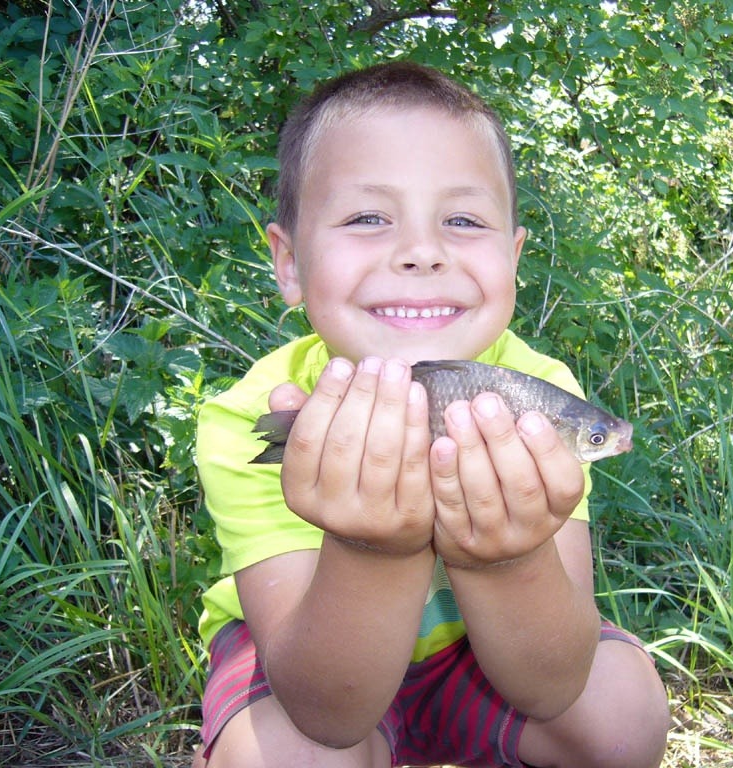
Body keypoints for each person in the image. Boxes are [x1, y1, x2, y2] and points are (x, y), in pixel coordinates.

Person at [192, 60, 670, 768]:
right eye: (367, 217)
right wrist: (370, 549)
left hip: (476, 652)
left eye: (463, 220)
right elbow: (326, 713)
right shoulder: (252, 417)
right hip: (312, 667)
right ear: (289, 263)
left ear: (513, 261)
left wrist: (510, 558)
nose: (421, 252)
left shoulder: (539, 392)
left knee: (622, 718)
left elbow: (552, 685)